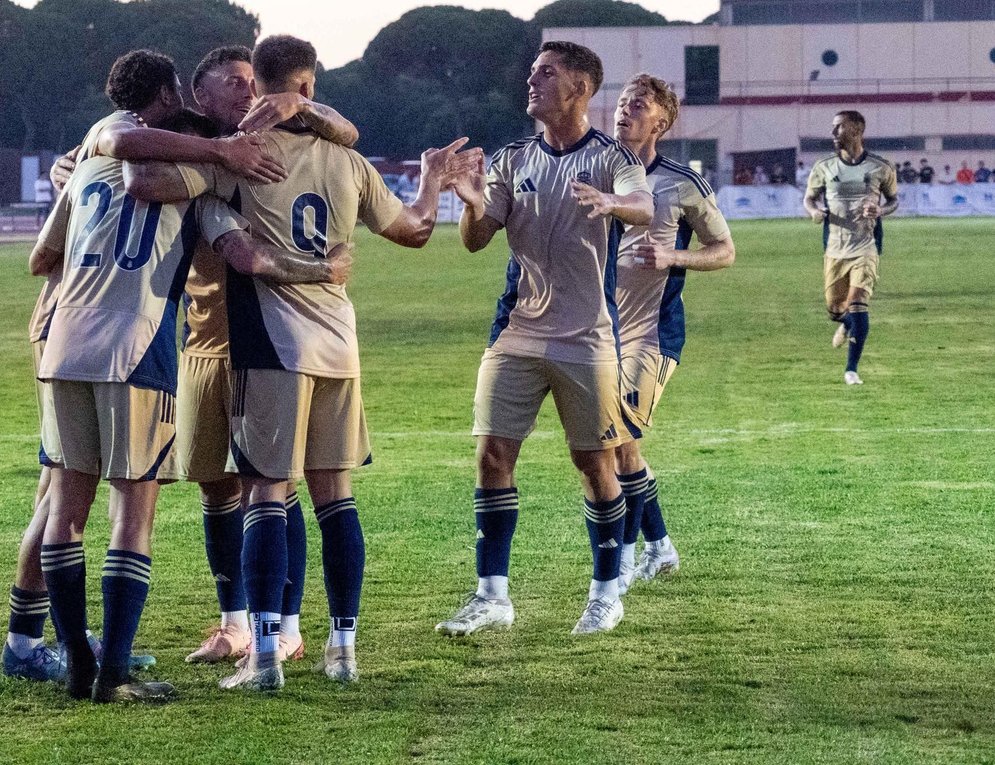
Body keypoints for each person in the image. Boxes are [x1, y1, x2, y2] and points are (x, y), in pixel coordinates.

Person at [128, 35, 470, 689]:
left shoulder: (239, 160)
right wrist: (431, 182)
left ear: (262, 87)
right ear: (307, 88)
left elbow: (154, 187)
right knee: (335, 497)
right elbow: (416, 229)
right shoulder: (350, 162)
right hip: (340, 346)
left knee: (263, 493)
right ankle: (343, 650)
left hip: (272, 346)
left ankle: (264, 653)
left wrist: (97, 158)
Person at [35, 48, 354, 704]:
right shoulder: (199, 178)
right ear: (186, 99)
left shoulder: (89, 162)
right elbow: (245, 255)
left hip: (67, 346)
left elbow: (45, 255)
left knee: (66, 512)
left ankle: (77, 665)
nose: (245, 95)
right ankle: (116, 671)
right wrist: (321, 270)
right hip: (142, 345)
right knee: (141, 512)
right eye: (227, 87)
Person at [432, 40, 653, 640]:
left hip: (587, 338)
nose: (531, 81)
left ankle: (607, 594)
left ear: (580, 89)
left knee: (593, 463)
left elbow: (642, 202)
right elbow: (477, 239)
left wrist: (611, 202)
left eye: (546, 73)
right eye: (531, 71)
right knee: (492, 456)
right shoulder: (512, 157)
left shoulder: (612, 156)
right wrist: (475, 205)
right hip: (518, 333)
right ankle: (491, 596)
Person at [609, 76, 735, 587]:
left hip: (651, 332)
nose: (624, 110)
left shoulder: (681, 182)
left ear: (661, 121)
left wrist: (671, 256)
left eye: (638, 104)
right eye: (620, 101)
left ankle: (616, 565)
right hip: (593, 329)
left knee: (614, 439)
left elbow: (724, 250)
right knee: (619, 446)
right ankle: (659, 546)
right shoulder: (596, 168)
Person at [804, 111, 898, 386]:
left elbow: (894, 201)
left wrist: (880, 209)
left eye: (839, 127)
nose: (833, 133)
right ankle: (846, 323)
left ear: (857, 130)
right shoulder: (823, 167)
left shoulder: (881, 167)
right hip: (834, 248)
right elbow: (809, 199)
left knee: (858, 304)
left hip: (866, 247)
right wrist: (814, 211)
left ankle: (851, 369)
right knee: (835, 308)